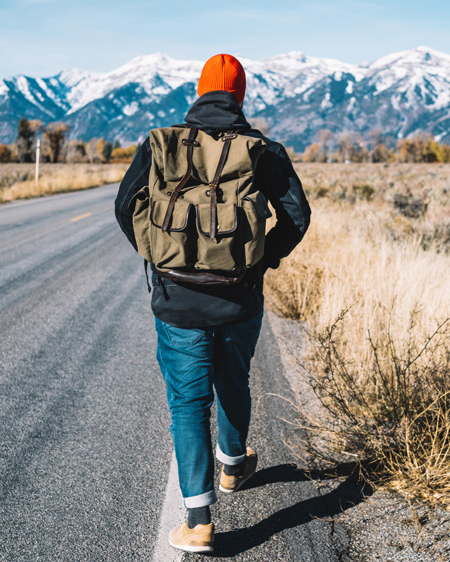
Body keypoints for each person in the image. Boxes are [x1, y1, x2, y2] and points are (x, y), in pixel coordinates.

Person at [114, 53, 310, 553]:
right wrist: (262, 259)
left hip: (176, 297)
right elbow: (297, 217)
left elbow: (124, 205)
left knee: (187, 403)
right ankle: (231, 466)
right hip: (240, 298)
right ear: (240, 95)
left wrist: (158, 251)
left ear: (199, 92)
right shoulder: (263, 150)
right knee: (233, 380)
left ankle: (198, 520)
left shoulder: (161, 144)